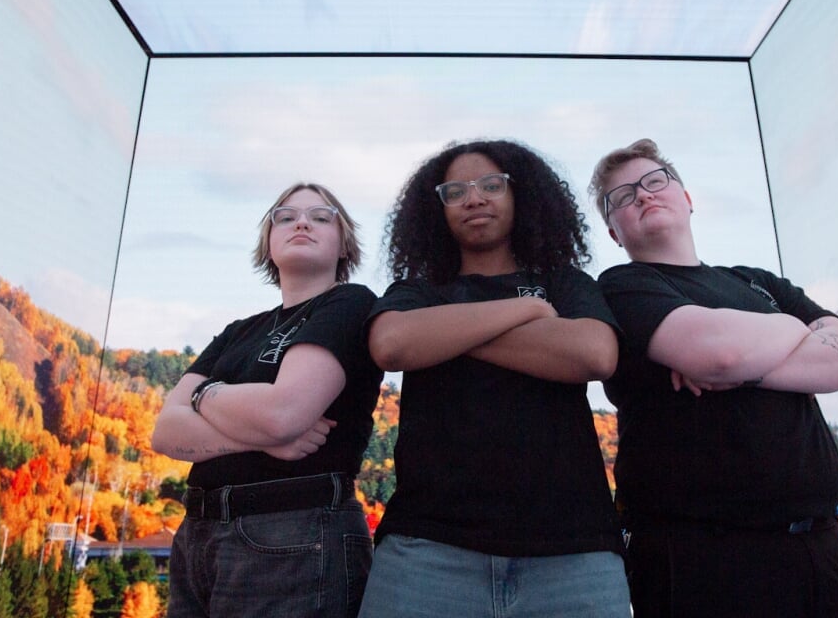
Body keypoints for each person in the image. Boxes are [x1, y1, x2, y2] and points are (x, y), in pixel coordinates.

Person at [589, 139, 838, 618]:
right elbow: (720, 354)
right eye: (621, 196)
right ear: (613, 232)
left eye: (655, 180)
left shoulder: (758, 281)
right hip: (703, 561)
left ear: (687, 198)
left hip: (825, 552)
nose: (642, 194)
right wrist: (795, 330)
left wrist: (744, 370)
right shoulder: (621, 288)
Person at [357, 139, 630, 618]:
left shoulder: (564, 283)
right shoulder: (418, 290)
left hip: (573, 555)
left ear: (520, 194)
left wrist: (444, 334)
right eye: (455, 191)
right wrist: (528, 311)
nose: (474, 198)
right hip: (426, 554)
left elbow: (593, 354)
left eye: (491, 185)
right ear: (437, 209)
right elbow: (392, 344)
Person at [151, 182, 383, 618]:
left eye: (320, 217)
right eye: (285, 217)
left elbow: (282, 414)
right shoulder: (239, 331)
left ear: (343, 245)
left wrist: (203, 394)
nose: (301, 223)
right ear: (268, 243)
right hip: (196, 533)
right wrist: (258, 438)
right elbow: (165, 433)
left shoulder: (350, 304)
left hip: (294, 530)